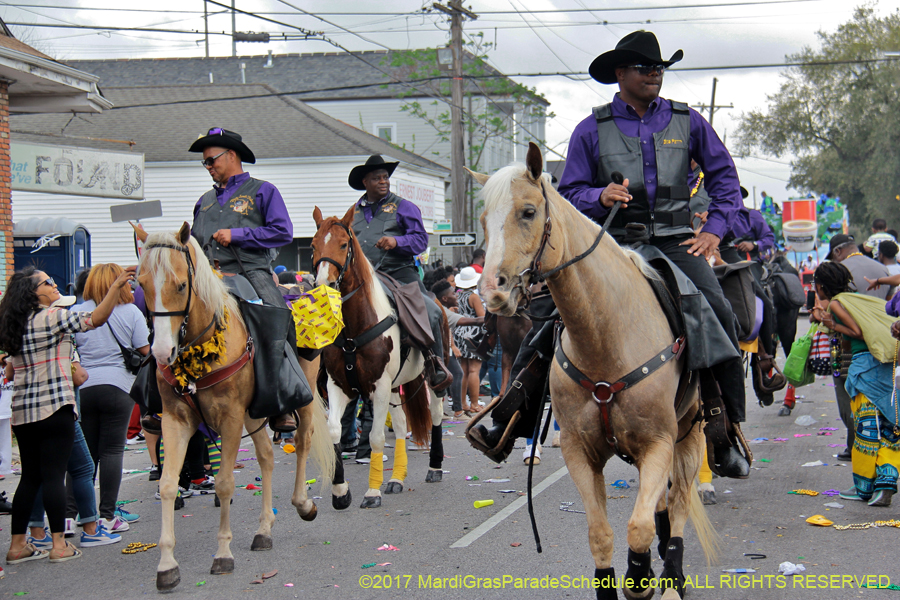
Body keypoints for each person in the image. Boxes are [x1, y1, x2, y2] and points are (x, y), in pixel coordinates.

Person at [472, 30, 750, 478]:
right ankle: (509, 418)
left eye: (659, 68)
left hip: (677, 243)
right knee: (547, 320)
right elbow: (567, 193)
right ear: (620, 73)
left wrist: (715, 230)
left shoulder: (689, 121)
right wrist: (599, 196)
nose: (654, 74)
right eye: (645, 67)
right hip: (613, 243)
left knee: (718, 312)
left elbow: (725, 179)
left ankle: (727, 428)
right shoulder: (591, 129)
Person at [1, 266, 133, 564]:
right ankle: (59, 545)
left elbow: (9, 368)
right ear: (34, 292)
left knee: (30, 478)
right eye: (48, 282)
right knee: (53, 476)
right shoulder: (51, 317)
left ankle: (18, 545)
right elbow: (95, 319)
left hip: (23, 412)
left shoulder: (15, 324)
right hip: (55, 407)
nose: (54, 284)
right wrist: (116, 286)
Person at [189, 127, 298, 433]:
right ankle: (159, 400)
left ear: (231, 155)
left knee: (279, 317)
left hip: (250, 272)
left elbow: (282, 232)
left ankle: (282, 401)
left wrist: (236, 235)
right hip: (208, 277)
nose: (208, 167)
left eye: (211, 160)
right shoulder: (204, 201)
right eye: (205, 164)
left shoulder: (263, 191)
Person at [346, 154, 451, 391]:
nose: (383, 181)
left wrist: (397, 242)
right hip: (366, 276)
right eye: (377, 178)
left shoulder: (404, 207)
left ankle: (436, 365)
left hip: (399, 273)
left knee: (432, 311)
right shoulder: (354, 212)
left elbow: (421, 240)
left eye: (385, 177)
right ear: (365, 182)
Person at [811, 262, 899, 506]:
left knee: (867, 428)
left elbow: (857, 333)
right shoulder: (858, 299)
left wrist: (831, 325)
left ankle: (864, 487)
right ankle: (886, 481)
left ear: (820, 286)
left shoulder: (838, 302)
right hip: (885, 366)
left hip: (865, 369)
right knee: (888, 426)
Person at [73, 264, 150, 533]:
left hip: (83, 388)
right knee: (112, 451)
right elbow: (145, 350)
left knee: (86, 455)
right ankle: (107, 515)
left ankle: (73, 515)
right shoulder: (131, 312)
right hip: (118, 386)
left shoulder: (76, 312)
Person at [827, 233, 894, 461]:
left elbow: (839, 316)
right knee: (881, 399)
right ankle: (884, 447)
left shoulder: (836, 272)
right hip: (882, 344)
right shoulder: (882, 270)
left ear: (837, 252)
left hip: (851, 348)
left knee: (850, 396)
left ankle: (856, 445)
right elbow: (891, 306)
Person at [432, 280, 485, 418]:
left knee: (460, 373)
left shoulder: (441, 308)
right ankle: (461, 408)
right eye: (453, 294)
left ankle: (459, 406)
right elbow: (476, 320)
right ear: (444, 298)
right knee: (463, 372)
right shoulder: (443, 310)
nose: (456, 296)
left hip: (455, 341)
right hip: (462, 342)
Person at [452, 268, 486, 416]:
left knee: (463, 371)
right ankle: (474, 403)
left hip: (459, 332)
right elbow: (482, 316)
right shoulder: (474, 297)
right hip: (474, 334)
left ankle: (463, 403)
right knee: (474, 370)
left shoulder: (457, 296)